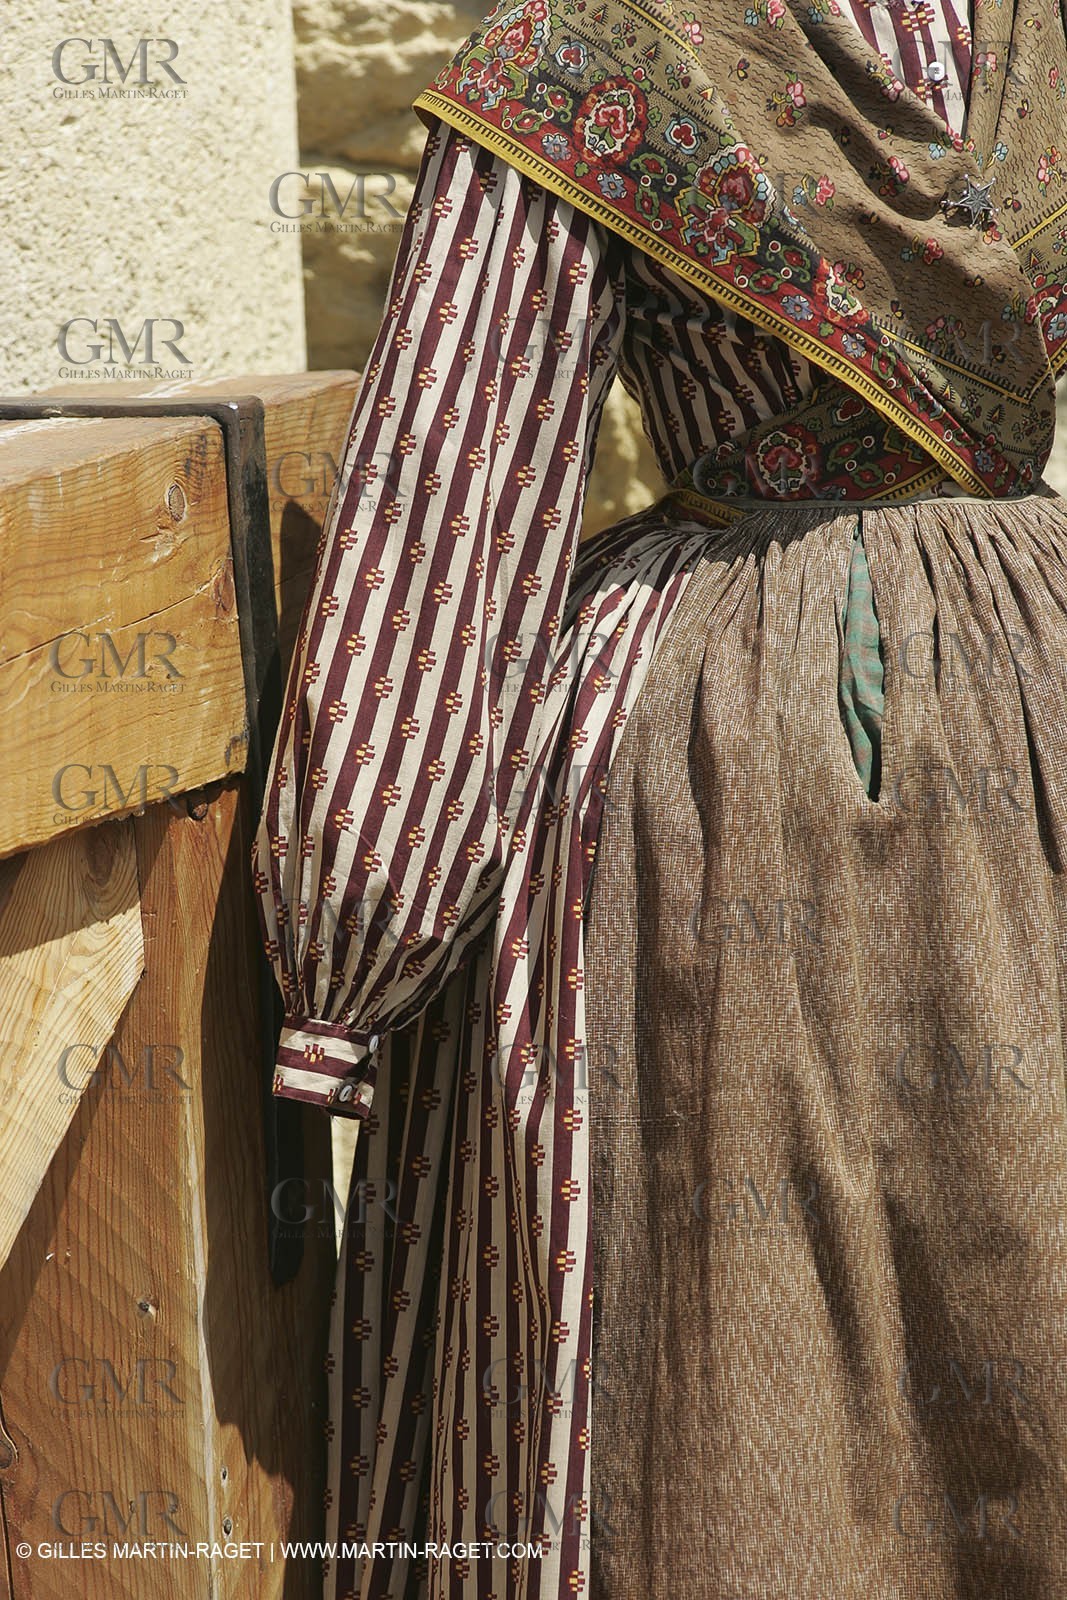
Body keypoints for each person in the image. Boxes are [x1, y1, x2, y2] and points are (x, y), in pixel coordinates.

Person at [252, 1, 1067, 1595]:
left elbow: (455, 513)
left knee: (705, 1312)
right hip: (1035, 678)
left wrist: (343, 960)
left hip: (716, 751)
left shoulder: (598, 50)